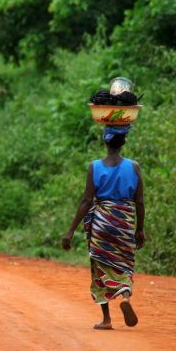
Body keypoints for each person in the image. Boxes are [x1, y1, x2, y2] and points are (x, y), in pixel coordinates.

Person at [61, 126, 145, 329]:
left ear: (105, 142)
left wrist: (71, 231)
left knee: (100, 266)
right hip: (124, 222)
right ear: (123, 142)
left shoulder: (95, 167)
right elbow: (140, 201)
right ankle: (125, 296)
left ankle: (107, 319)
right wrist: (140, 230)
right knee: (124, 263)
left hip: (102, 223)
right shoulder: (134, 167)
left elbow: (86, 201)